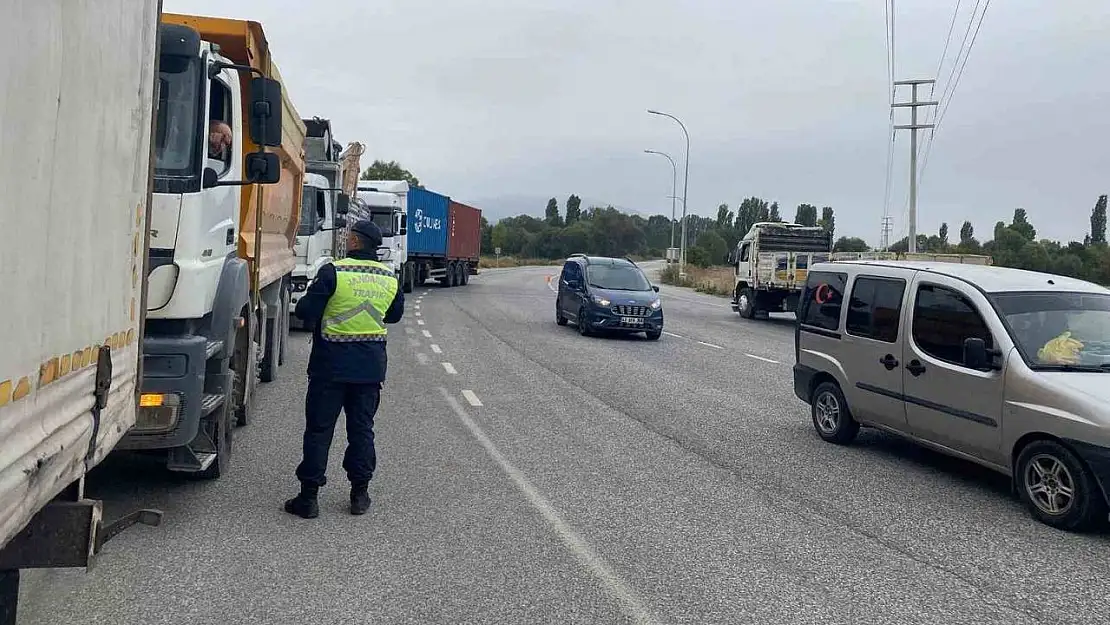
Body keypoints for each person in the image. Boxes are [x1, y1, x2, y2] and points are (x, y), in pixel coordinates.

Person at [284, 220, 404, 518]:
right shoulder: (389, 276)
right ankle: (359, 495)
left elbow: (305, 311)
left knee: (319, 431)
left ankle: (309, 498)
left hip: (330, 368)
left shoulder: (333, 271)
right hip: (369, 369)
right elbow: (395, 315)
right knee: (362, 430)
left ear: (354, 241)